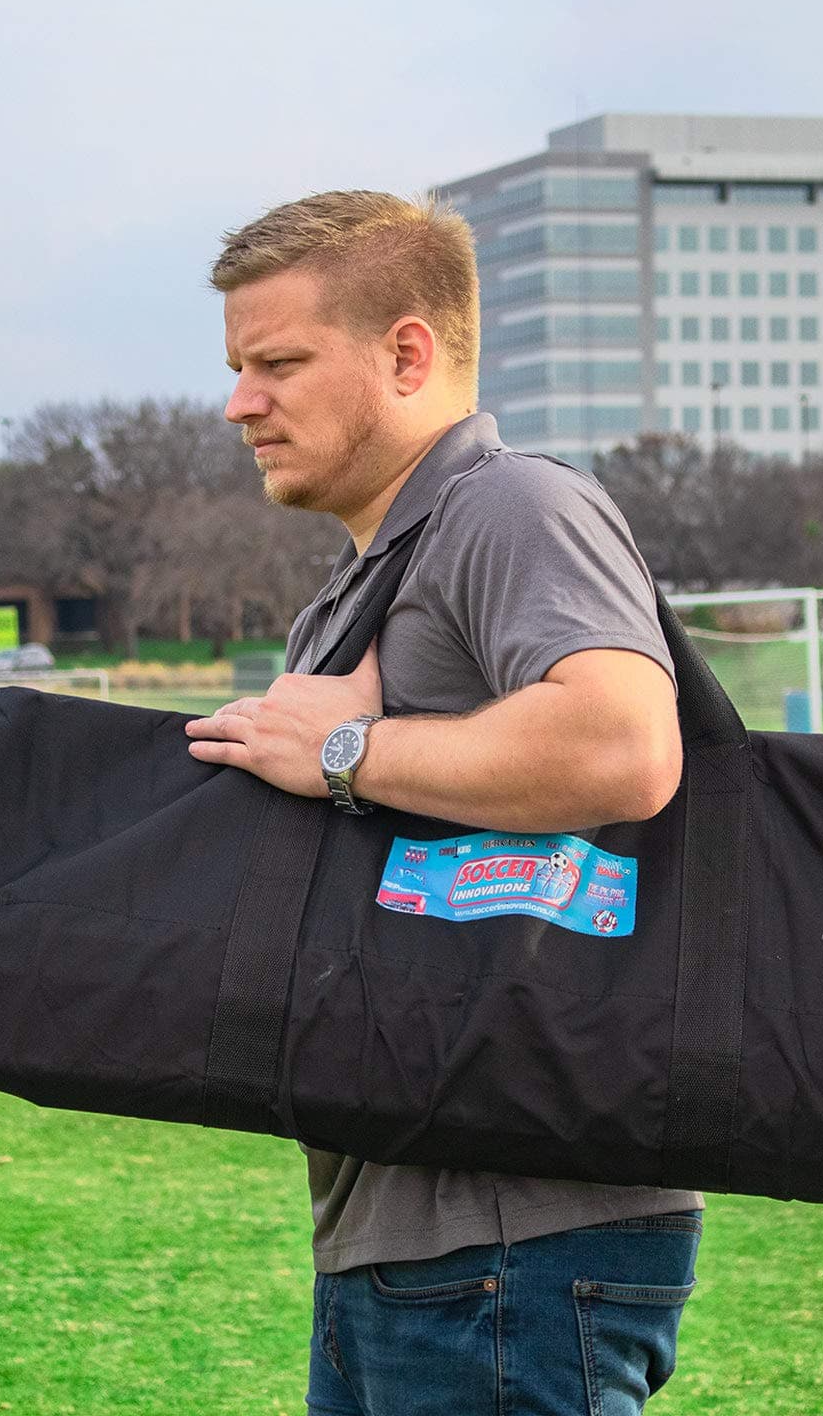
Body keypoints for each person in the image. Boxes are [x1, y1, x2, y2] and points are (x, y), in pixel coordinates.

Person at [184, 191, 702, 1415]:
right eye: (235, 368)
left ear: (407, 353)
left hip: (510, 1246)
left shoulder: (513, 507)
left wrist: (354, 747)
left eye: (278, 363)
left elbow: (624, 742)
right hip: (409, 1240)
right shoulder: (380, 572)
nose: (238, 402)